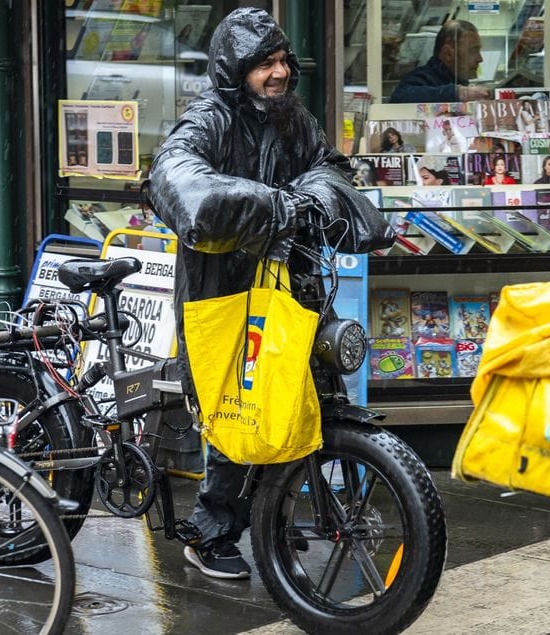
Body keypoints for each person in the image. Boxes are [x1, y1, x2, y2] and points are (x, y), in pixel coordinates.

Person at [146, 8, 393, 581]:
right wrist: (271, 204)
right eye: (264, 63)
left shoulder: (294, 119)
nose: (279, 72)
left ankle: (274, 512)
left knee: (306, 386)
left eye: (283, 60)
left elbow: (329, 168)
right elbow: (175, 179)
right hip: (223, 290)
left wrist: (310, 196)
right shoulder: (207, 120)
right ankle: (212, 533)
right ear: (236, 70)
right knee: (240, 406)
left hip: (290, 279)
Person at [390, 20, 493, 104]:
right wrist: (460, 93)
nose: (480, 59)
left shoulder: (457, 78)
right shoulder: (423, 78)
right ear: (448, 54)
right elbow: (400, 96)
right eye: (472, 51)